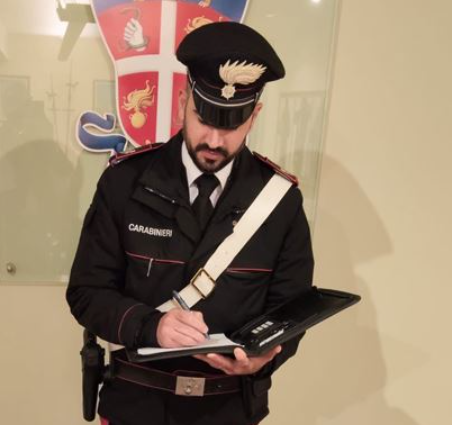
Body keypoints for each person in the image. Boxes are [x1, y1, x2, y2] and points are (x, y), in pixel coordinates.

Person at [67, 21, 314, 425]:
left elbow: (291, 310)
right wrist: (151, 326)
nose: (214, 140)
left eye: (231, 124)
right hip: (136, 406)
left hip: (228, 411)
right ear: (184, 100)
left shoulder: (280, 201)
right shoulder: (124, 182)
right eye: (204, 118)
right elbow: (87, 292)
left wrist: (264, 357)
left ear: (254, 116)